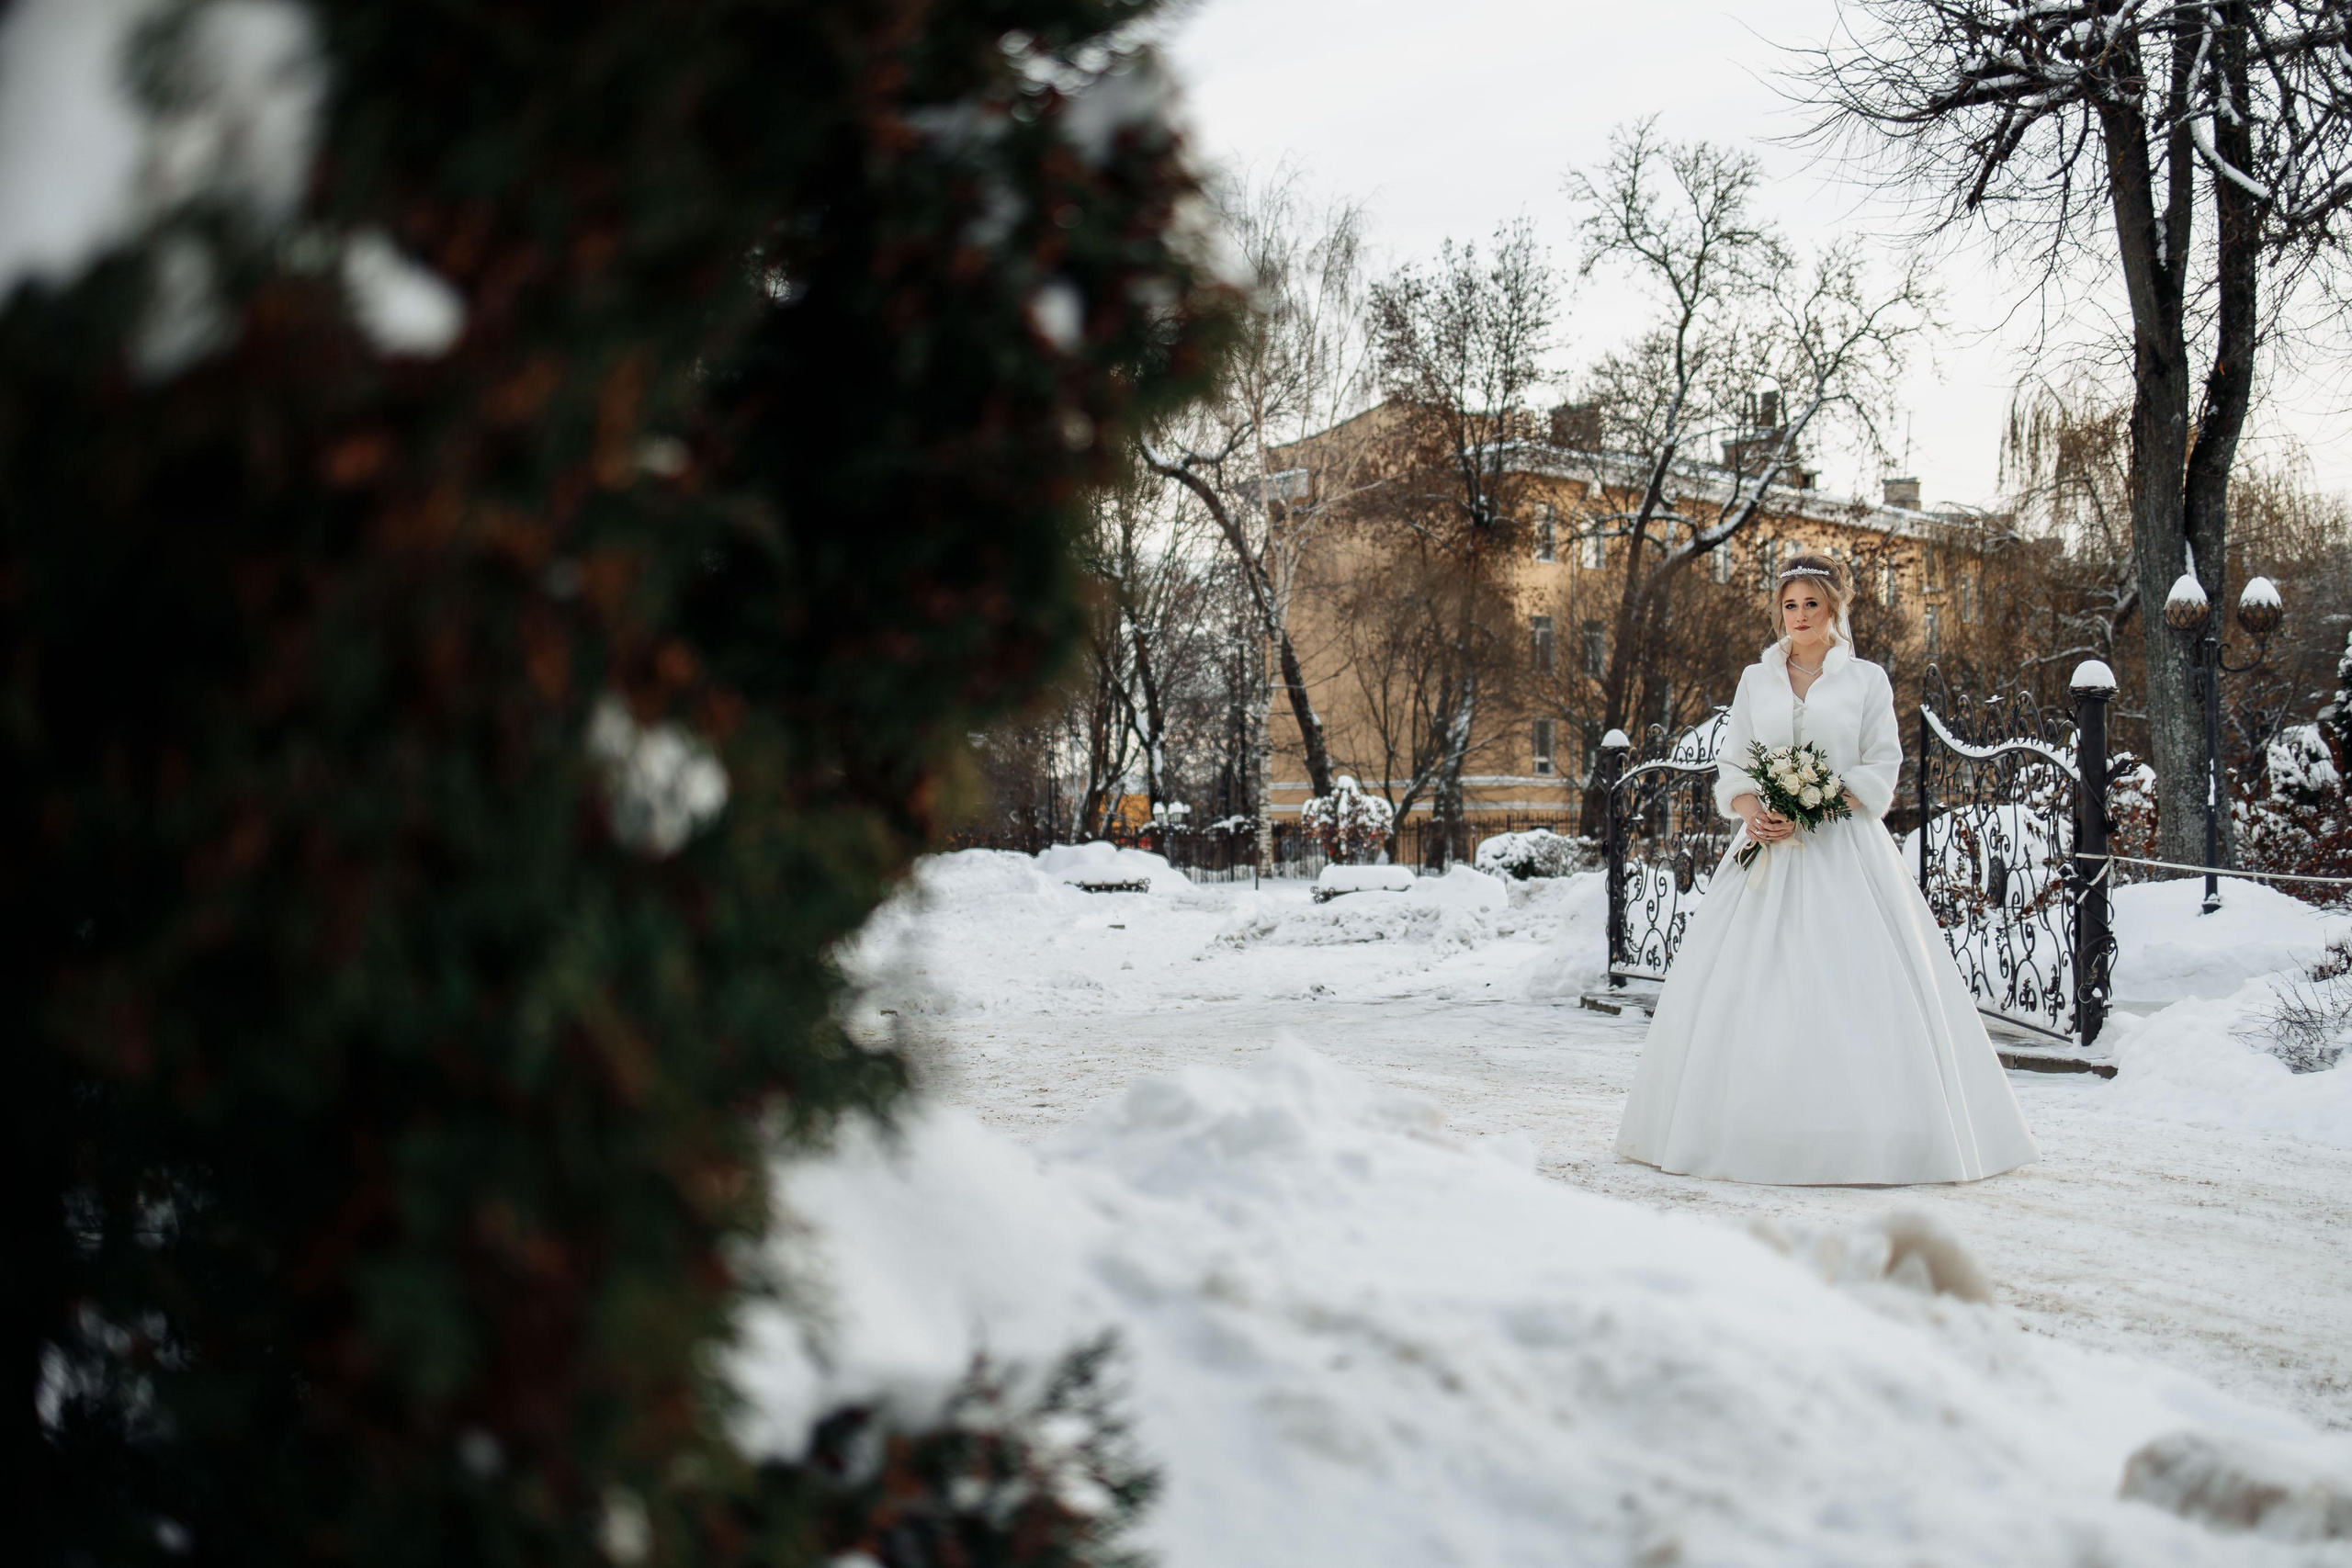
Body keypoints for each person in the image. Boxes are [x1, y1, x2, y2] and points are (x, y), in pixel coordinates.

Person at [1614, 553, 2039, 1186]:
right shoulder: (1756, 679)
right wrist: (1755, 807)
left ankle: (1876, 1132)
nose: (1801, 615)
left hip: (1846, 850)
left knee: (1857, 985)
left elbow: (1881, 765)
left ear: (1834, 608)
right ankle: (1735, 1129)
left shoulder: (1866, 679)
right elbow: (1732, 761)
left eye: (1812, 603)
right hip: (1765, 850)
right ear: (1778, 611)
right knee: (1746, 991)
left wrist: (1816, 802)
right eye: (1790, 604)